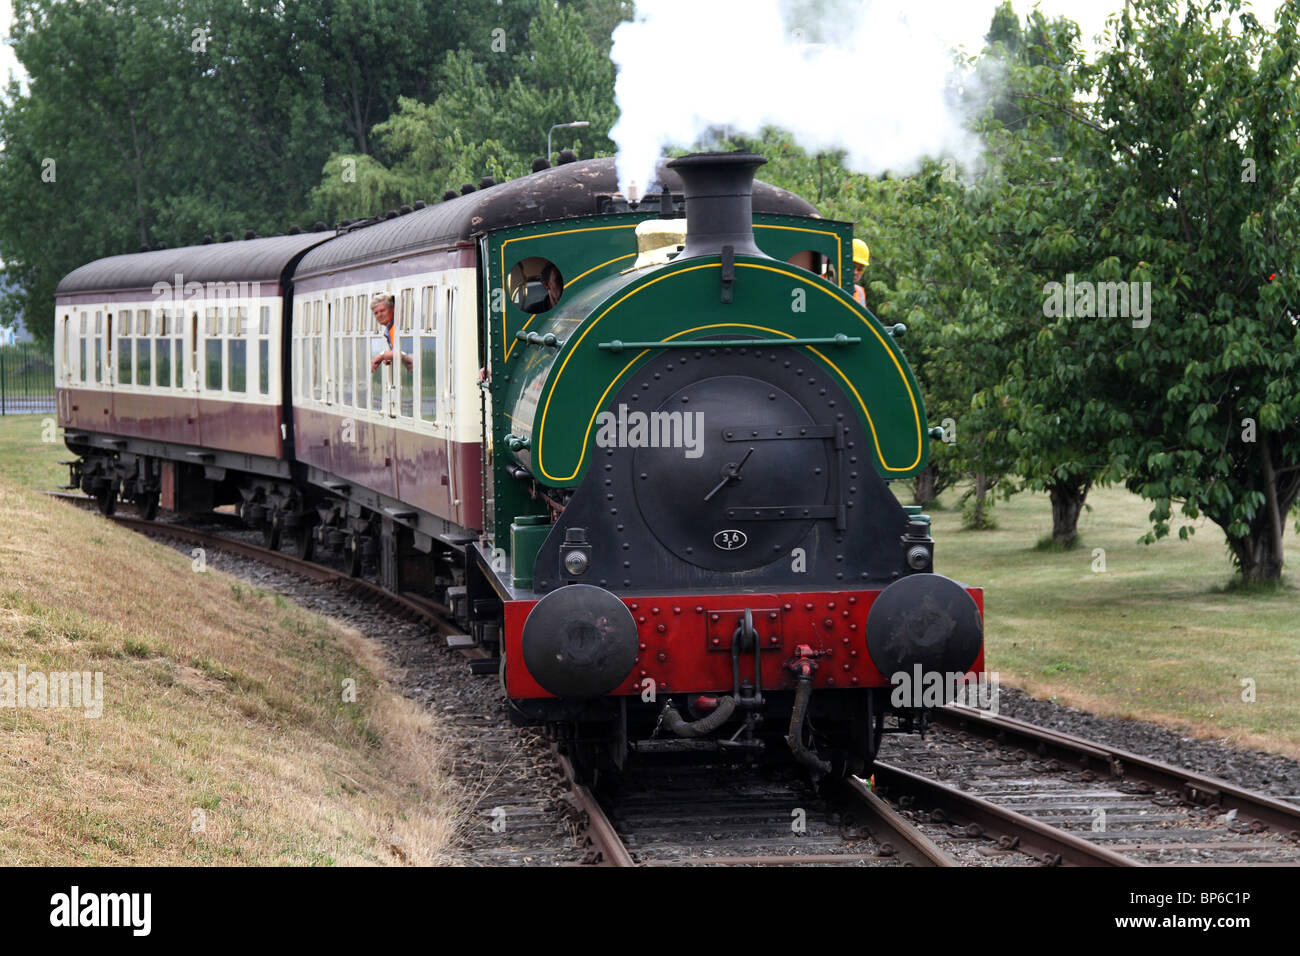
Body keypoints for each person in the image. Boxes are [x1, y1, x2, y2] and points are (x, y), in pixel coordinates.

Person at [369, 293, 413, 373]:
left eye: (382, 311)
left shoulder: (397, 328)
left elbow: (403, 352)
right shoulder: (390, 329)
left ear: (392, 309)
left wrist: (382, 356)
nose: (379, 315)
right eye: (376, 313)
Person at [852, 238, 870, 306]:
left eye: (860, 269)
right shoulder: (828, 284)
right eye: (852, 267)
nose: (855, 272)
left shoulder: (860, 293)